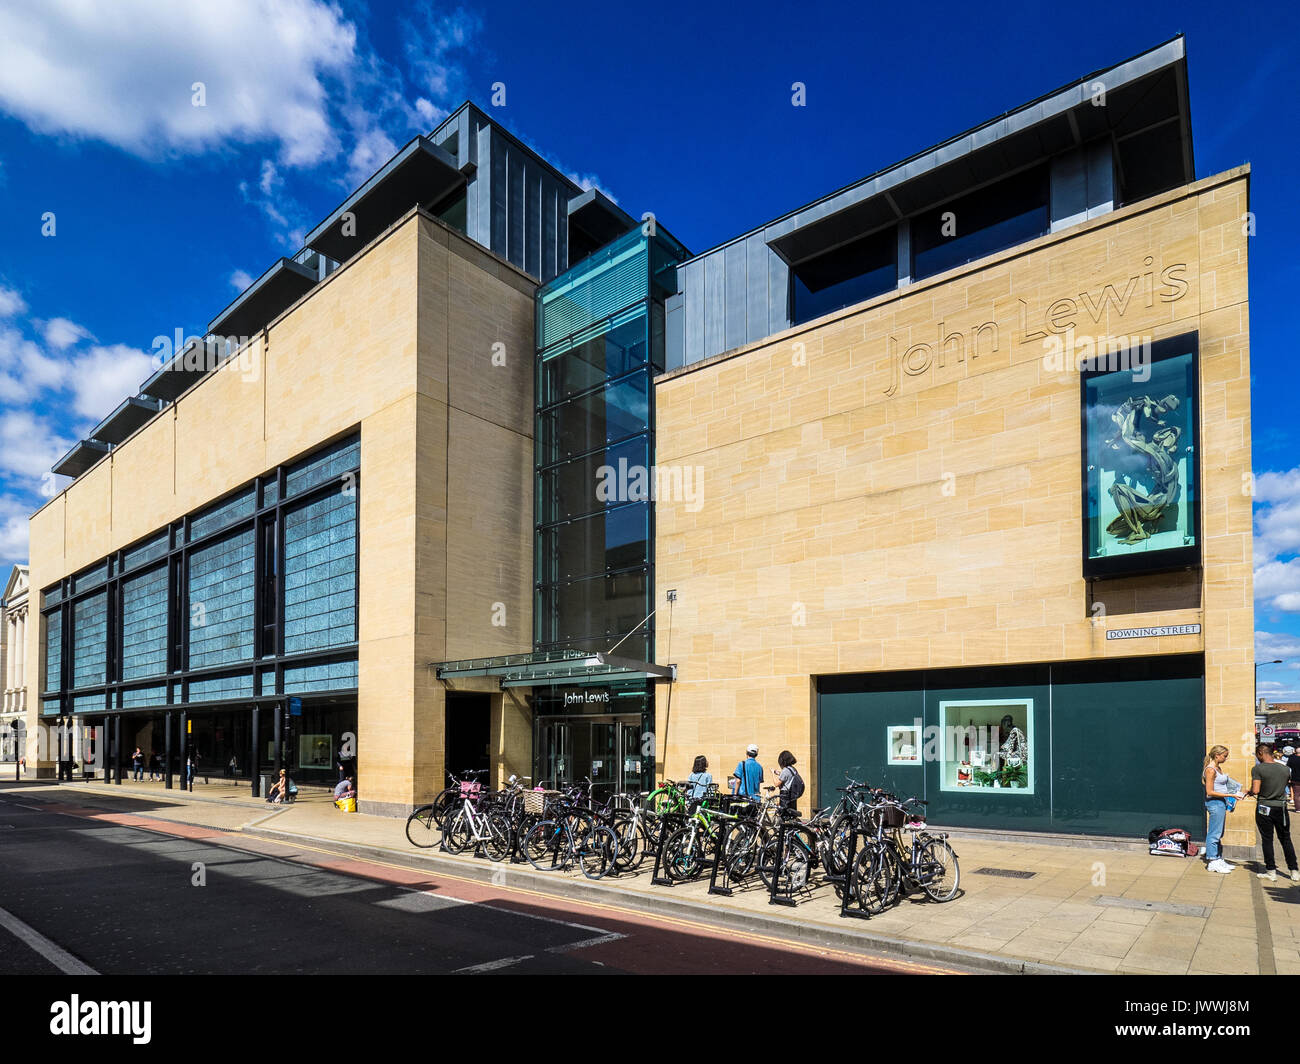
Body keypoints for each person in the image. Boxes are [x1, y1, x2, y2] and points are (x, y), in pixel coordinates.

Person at [1249, 743, 1300, 883]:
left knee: (1267, 839)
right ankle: (1294, 870)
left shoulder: (1258, 769)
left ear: (1260, 753)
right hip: (1281, 808)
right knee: (1285, 839)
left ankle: (1271, 871)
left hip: (1264, 807)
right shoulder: (1285, 769)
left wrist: (1249, 791)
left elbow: (1256, 790)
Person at [1203, 745, 1238, 873]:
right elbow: (1209, 791)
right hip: (1215, 803)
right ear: (1217, 755)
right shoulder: (1211, 770)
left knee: (1219, 832)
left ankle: (1217, 858)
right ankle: (1212, 860)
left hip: (1220, 803)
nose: (1226, 758)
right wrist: (1230, 795)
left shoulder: (1217, 768)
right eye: (1224, 756)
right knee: (1214, 833)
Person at [776, 750, 804, 817]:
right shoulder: (792, 769)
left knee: (783, 814)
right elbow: (788, 777)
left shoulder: (785, 770)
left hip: (785, 794)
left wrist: (772, 774)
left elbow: (777, 784)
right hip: (792, 794)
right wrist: (779, 774)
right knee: (791, 813)